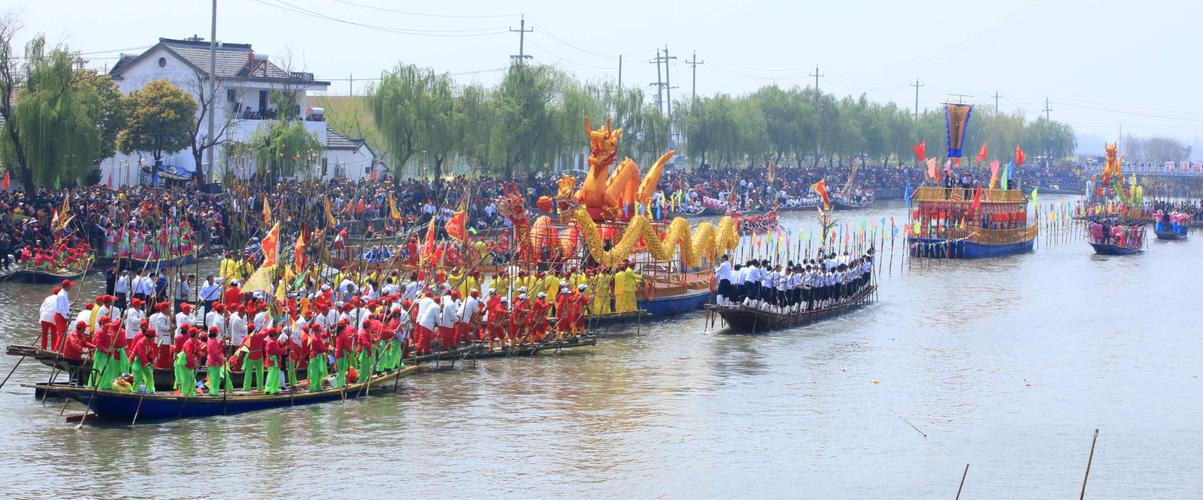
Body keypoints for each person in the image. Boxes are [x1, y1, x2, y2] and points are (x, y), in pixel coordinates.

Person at [61, 321, 95, 386]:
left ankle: (79, 385)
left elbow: (85, 343)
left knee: (79, 370)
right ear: (80, 328)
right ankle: (72, 385)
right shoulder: (73, 334)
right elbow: (75, 344)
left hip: (76, 357)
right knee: (74, 371)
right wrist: (82, 350)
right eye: (84, 328)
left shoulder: (81, 334)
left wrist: (93, 346)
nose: (85, 330)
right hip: (70, 357)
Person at [205, 327, 232, 396]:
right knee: (215, 378)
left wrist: (222, 340)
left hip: (211, 361)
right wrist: (222, 358)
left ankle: (212, 391)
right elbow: (215, 353)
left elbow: (216, 347)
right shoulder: (213, 341)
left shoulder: (211, 340)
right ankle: (214, 393)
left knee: (213, 377)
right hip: (214, 362)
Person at [54, 280, 74, 351]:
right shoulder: (62, 295)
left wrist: (70, 305)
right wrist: (67, 318)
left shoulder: (65, 293)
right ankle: (57, 350)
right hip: (60, 316)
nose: (71, 287)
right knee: (61, 334)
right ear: (67, 286)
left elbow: (64, 305)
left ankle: (61, 350)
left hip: (62, 315)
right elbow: (61, 309)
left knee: (63, 334)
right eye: (70, 286)